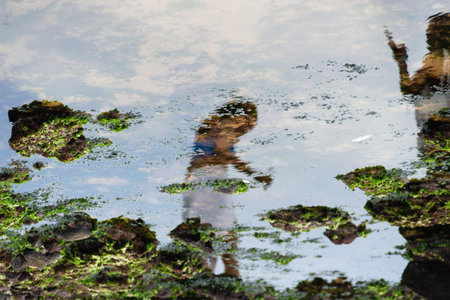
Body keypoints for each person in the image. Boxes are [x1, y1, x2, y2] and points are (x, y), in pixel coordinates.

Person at [182, 100, 272, 276]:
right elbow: (225, 153)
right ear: (237, 115)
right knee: (225, 225)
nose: (246, 125)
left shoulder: (210, 125)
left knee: (201, 227)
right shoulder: (225, 128)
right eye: (246, 120)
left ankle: (205, 273)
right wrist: (254, 174)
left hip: (196, 180)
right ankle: (231, 273)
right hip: (210, 179)